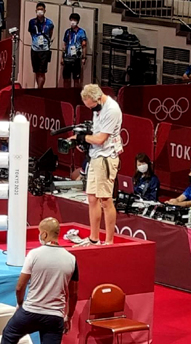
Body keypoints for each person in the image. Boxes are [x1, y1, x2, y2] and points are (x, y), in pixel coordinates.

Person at [73, 84, 123, 246]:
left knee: (105, 199)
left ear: (98, 98)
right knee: (92, 198)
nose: (91, 109)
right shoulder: (97, 108)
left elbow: (101, 139)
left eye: (92, 106)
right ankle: (94, 238)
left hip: (106, 157)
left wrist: (82, 138)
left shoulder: (112, 110)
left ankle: (109, 240)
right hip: (95, 156)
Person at [28, 2, 54, 89]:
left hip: (44, 50)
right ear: (36, 10)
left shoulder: (49, 23)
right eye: (38, 9)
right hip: (34, 50)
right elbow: (32, 34)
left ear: (45, 11)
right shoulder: (32, 22)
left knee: (42, 72)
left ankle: (40, 90)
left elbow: (50, 35)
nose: (40, 11)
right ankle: (38, 90)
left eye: (41, 10)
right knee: (36, 71)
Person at [61, 13, 87, 88]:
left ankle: (75, 95)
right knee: (66, 78)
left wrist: (84, 57)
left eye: (74, 20)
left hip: (76, 58)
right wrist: (62, 57)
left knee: (76, 79)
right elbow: (65, 45)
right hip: (67, 58)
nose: (72, 22)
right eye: (71, 20)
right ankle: (66, 94)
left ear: (78, 21)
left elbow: (84, 45)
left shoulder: (81, 32)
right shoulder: (67, 32)